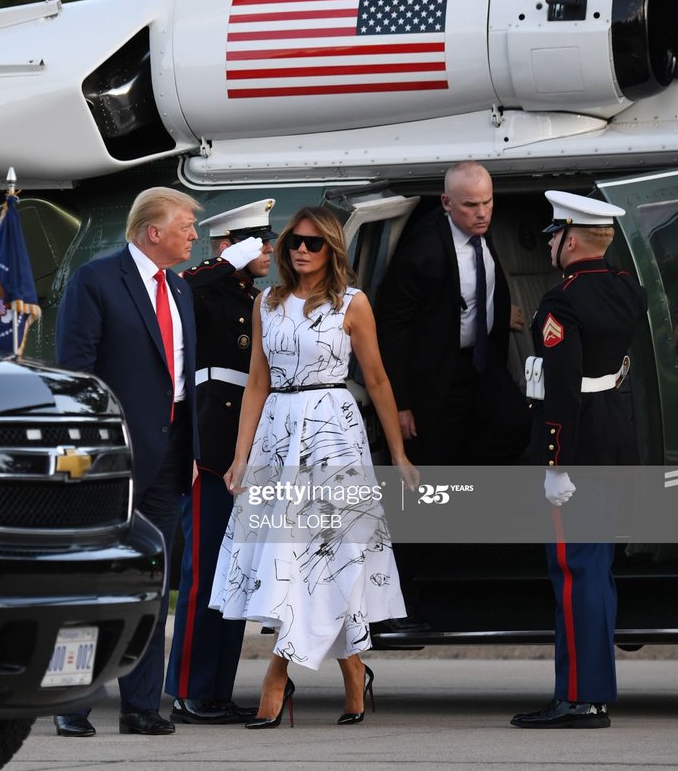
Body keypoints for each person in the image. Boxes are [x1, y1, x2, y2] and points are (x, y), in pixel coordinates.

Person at [210, 206, 419, 729]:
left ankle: (277, 677)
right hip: (278, 436)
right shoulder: (268, 302)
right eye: (294, 243)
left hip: (333, 434)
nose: (301, 250)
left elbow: (377, 379)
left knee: (330, 553)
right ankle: (352, 668)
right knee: (290, 555)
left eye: (313, 243)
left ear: (331, 248)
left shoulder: (353, 303)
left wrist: (398, 453)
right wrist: (240, 457)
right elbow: (257, 381)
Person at [53, 187, 202, 737]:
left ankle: (141, 707)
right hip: (111, 460)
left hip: (168, 462)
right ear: (152, 231)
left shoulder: (181, 291)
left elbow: (182, 381)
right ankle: (71, 702)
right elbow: (76, 376)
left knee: (152, 581)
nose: (193, 234)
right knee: (94, 579)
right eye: (185, 225)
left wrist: (190, 451)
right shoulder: (96, 281)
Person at [510, 190, 646, 729]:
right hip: (614, 437)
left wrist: (554, 461)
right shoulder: (625, 288)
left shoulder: (561, 302)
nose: (549, 245)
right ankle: (593, 691)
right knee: (597, 571)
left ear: (569, 238)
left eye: (553, 236)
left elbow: (562, 389)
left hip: (580, 448)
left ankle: (579, 697)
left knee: (573, 572)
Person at [166, 199, 275, 726]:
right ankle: (190, 690)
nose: (271, 249)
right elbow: (181, 285)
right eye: (260, 240)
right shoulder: (206, 287)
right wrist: (227, 260)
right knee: (206, 570)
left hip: (247, 449)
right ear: (233, 246)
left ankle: (217, 689)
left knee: (237, 577)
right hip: (212, 452)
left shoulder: (254, 298)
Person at [375, 160, 529, 467]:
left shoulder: (478, 226)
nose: (482, 212)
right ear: (446, 202)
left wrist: (495, 311)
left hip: (483, 363)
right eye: (471, 205)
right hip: (437, 372)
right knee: (438, 456)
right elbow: (393, 327)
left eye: (488, 202)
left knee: (514, 427)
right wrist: (400, 405)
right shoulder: (423, 251)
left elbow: (475, 282)